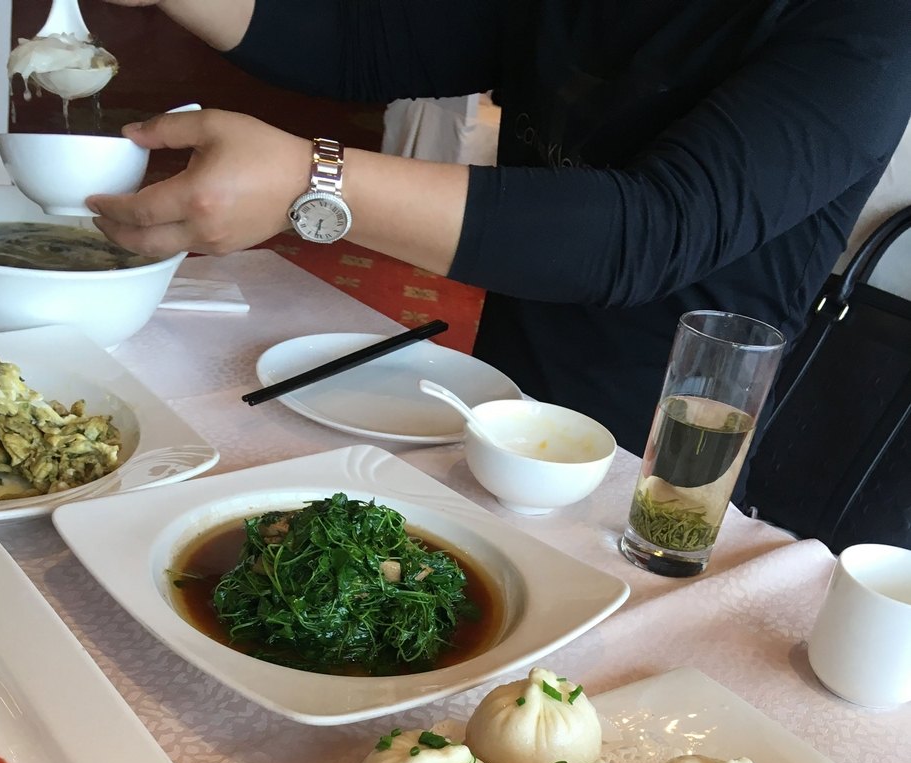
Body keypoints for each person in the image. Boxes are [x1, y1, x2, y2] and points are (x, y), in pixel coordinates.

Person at [91, 0, 911, 455]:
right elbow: (367, 43)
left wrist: (314, 178)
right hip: (494, 399)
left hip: (659, 456)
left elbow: (655, 228)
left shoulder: (871, 27)